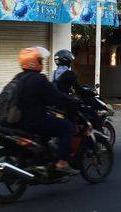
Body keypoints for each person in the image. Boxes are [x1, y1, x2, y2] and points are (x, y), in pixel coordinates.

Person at [16, 46, 80, 175]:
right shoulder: (39, 79)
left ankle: (42, 158)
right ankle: (61, 162)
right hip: (34, 119)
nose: (42, 63)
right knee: (67, 127)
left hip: (19, 120)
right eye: (40, 60)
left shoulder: (18, 77)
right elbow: (54, 96)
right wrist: (71, 101)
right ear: (33, 62)